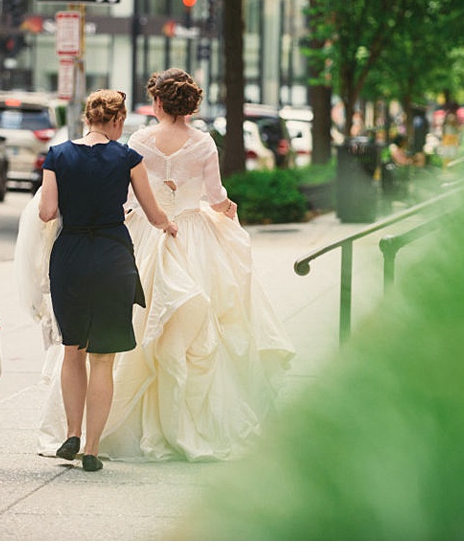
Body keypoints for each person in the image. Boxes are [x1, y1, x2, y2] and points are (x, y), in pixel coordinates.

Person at [100, 67, 295, 462]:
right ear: (188, 104)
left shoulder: (138, 139)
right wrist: (225, 209)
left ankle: (128, 425)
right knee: (206, 325)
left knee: (140, 321)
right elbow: (215, 194)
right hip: (192, 234)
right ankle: (194, 418)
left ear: (157, 102)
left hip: (146, 232)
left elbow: (127, 195)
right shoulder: (203, 143)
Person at [37, 89, 178, 473]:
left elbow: (47, 211)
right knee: (103, 359)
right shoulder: (128, 157)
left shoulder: (58, 155)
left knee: (72, 349)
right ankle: (93, 449)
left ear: (87, 118)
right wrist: (170, 225)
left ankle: (71, 432)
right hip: (113, 257)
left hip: (70, 257)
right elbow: (153, 213)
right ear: (117, 121)